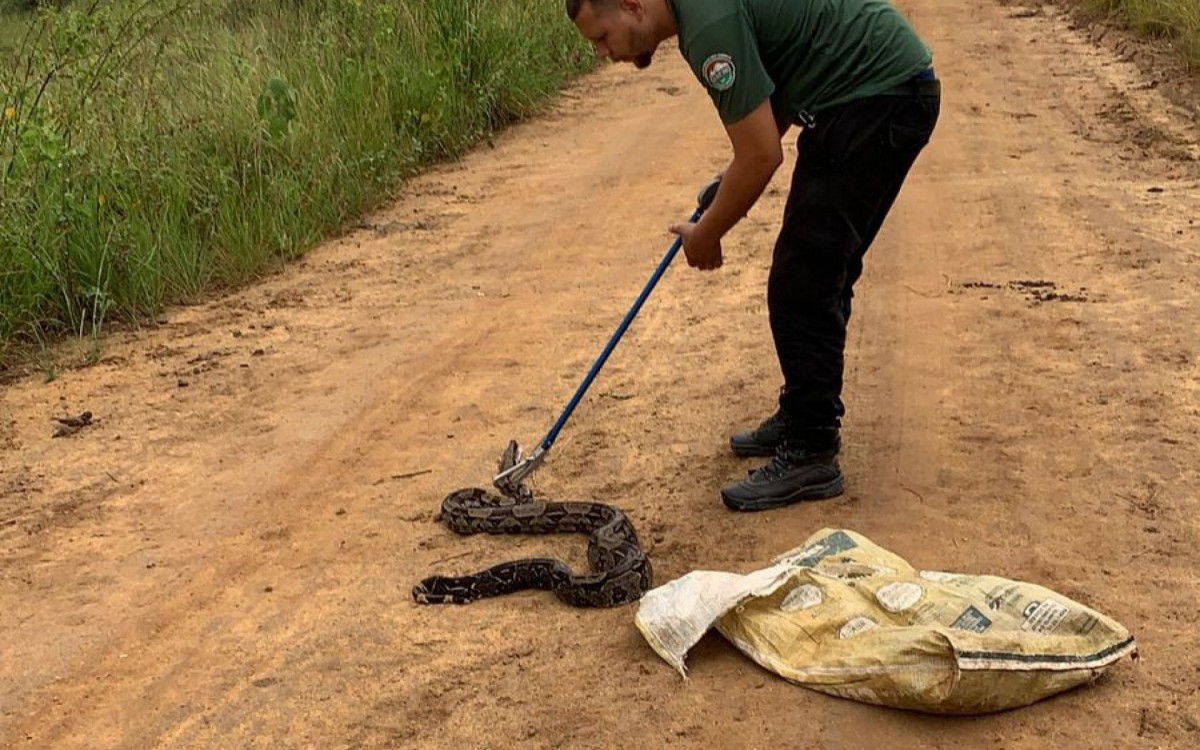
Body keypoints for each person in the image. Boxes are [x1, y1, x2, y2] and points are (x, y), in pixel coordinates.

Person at [566, 0, 941, 511]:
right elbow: (774, 95)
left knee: (804, 278)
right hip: (875, 91)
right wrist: (725, 188)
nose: (605, 54)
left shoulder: (708, 26)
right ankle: (803, 413)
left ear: (632, 6)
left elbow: (762, 153)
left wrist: (708, 234)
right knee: (819, 267)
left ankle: (812, 449)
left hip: (876, 95)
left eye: (602, 38)